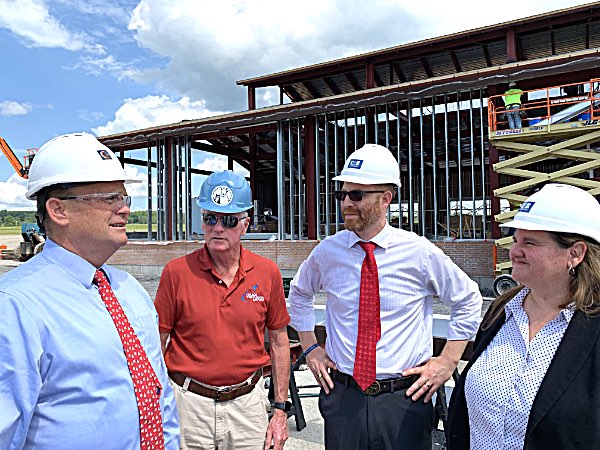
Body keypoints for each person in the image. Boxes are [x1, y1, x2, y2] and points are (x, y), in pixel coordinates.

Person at [288, 143, 483, 450]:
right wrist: (311, 347)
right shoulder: (328, 252)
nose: (345, 203)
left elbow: (468, 299)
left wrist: (448, 361)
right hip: (344, 398)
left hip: (403, 401)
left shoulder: (418, 252)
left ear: (385, 198)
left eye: (357, 195)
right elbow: (299, 295)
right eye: (342, 194)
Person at [0, 132, 179, 449]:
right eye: (109, 198)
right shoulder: (15, 306)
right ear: (59, 210)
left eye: (123, 198)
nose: (123, 209)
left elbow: (158, 391)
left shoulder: (129, 290)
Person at [447, 183, 600, 450]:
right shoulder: (501, 312)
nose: (514, 251)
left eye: (530, 242)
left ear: (575, 253)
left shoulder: (592, 327)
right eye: (516, 239)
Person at [155, 170, 290, 450]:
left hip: (247, 407)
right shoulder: (176, 273)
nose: (218, 228)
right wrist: (155, 402)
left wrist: (279, 409)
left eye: (229, 220)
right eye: (210, 218)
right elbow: (157, 341)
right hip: (189, 407)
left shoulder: (267, 273)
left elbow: (279, 342)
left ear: (246, 225)